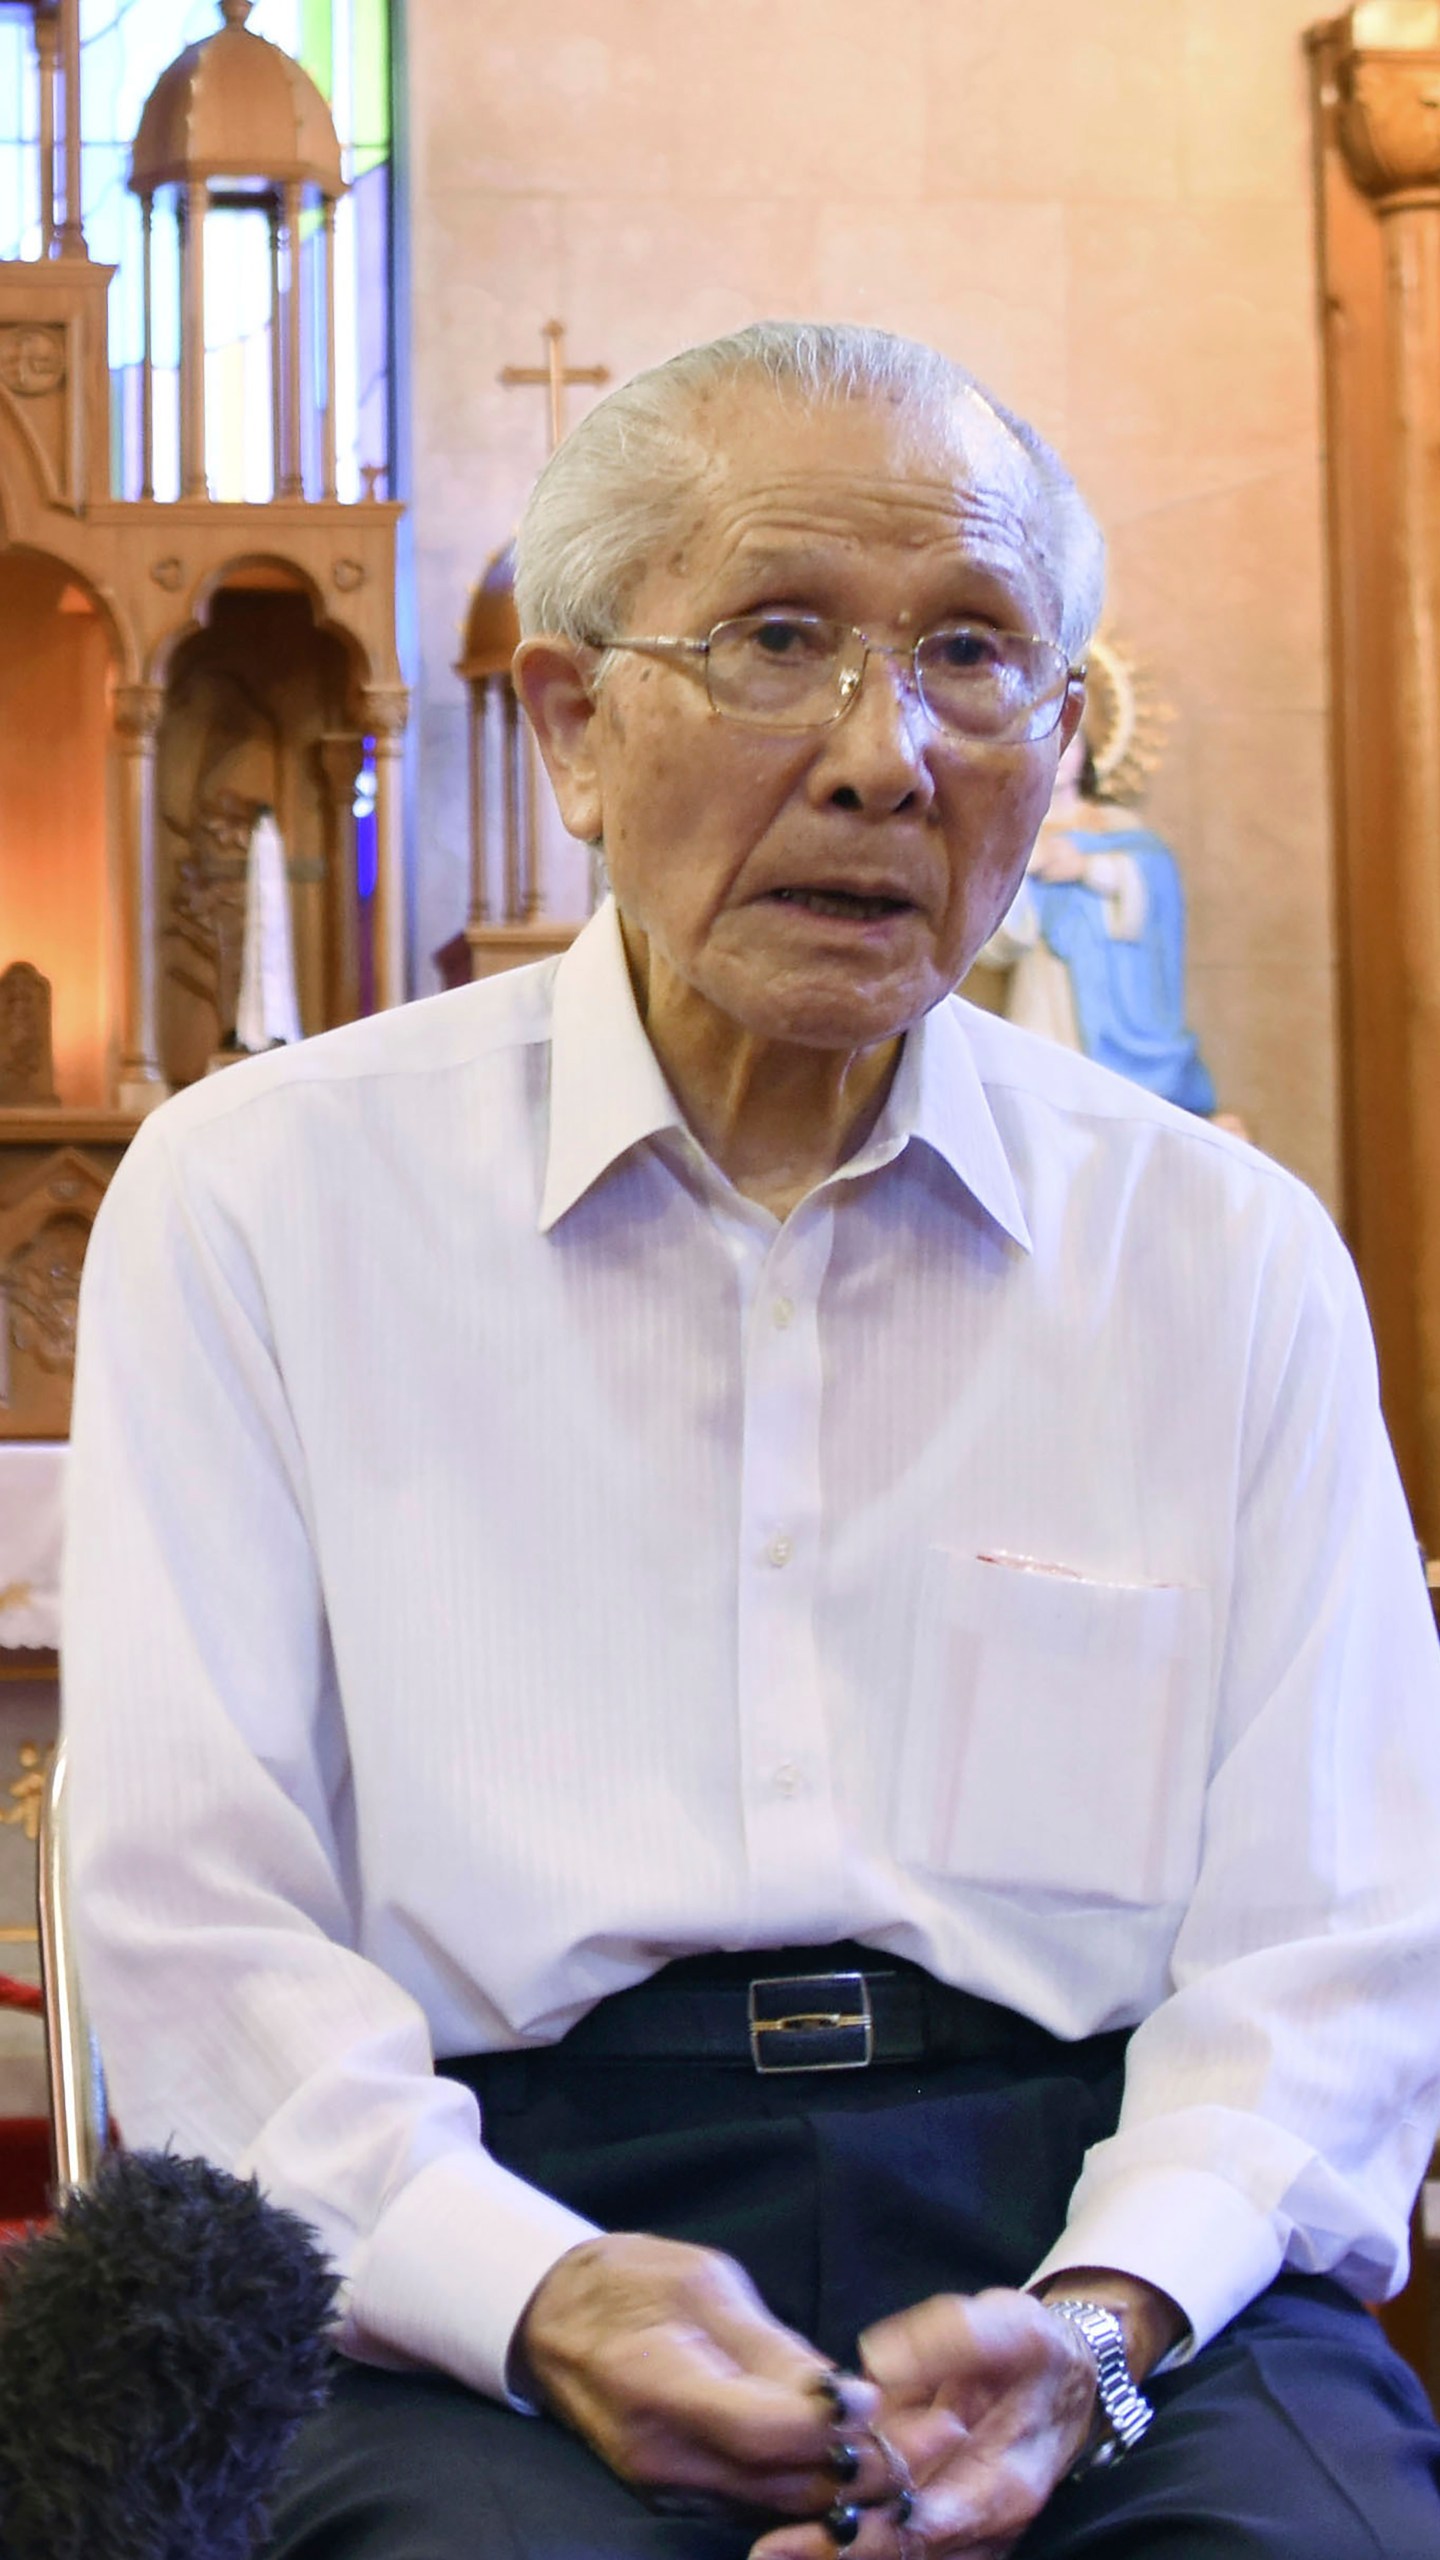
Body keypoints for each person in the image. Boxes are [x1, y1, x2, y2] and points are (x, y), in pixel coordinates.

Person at [61, 322, 1440, 2560]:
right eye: (780, 638)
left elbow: (1336, 1939)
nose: (883, 755)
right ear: (576, 727)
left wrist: (1101, 2314)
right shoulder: (264, 1200)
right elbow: (197, 1919)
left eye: (976, 658)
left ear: (1064, 741)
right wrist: (528, 2285)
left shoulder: (1223, 1254)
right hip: (484, 2214)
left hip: (1088, 2222)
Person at [975, 730, 1216, 1114]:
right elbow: (994, 935)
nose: (1061, 755)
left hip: (1116, 990)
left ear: (1085, 753)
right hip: (1047, 984)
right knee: (1040, 1096)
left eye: (1070, 743)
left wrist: (1090, 868)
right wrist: (1028, 868)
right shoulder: (1013, 834)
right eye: (1047, 744)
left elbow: (1156, 886)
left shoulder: (1117, 827)